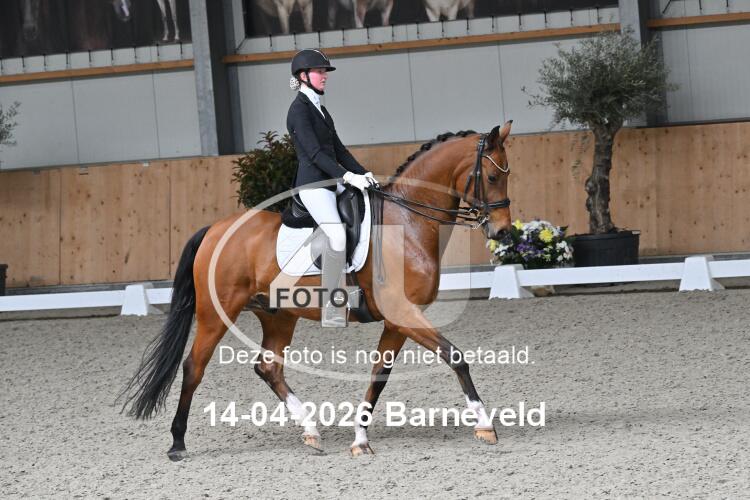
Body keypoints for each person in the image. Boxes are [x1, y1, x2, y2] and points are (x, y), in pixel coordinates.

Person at [286, 49, 377, 327]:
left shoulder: (321, 110)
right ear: (303, 76)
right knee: (337, 235)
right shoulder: (298, 111)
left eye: (325, 71)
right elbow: (315, 154)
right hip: (313, 185)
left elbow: (339, 150)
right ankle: (333, 306)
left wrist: (363, 174)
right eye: (319, 71)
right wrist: (348, 177)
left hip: (331, 182)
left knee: (368, 208)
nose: (324, 76)